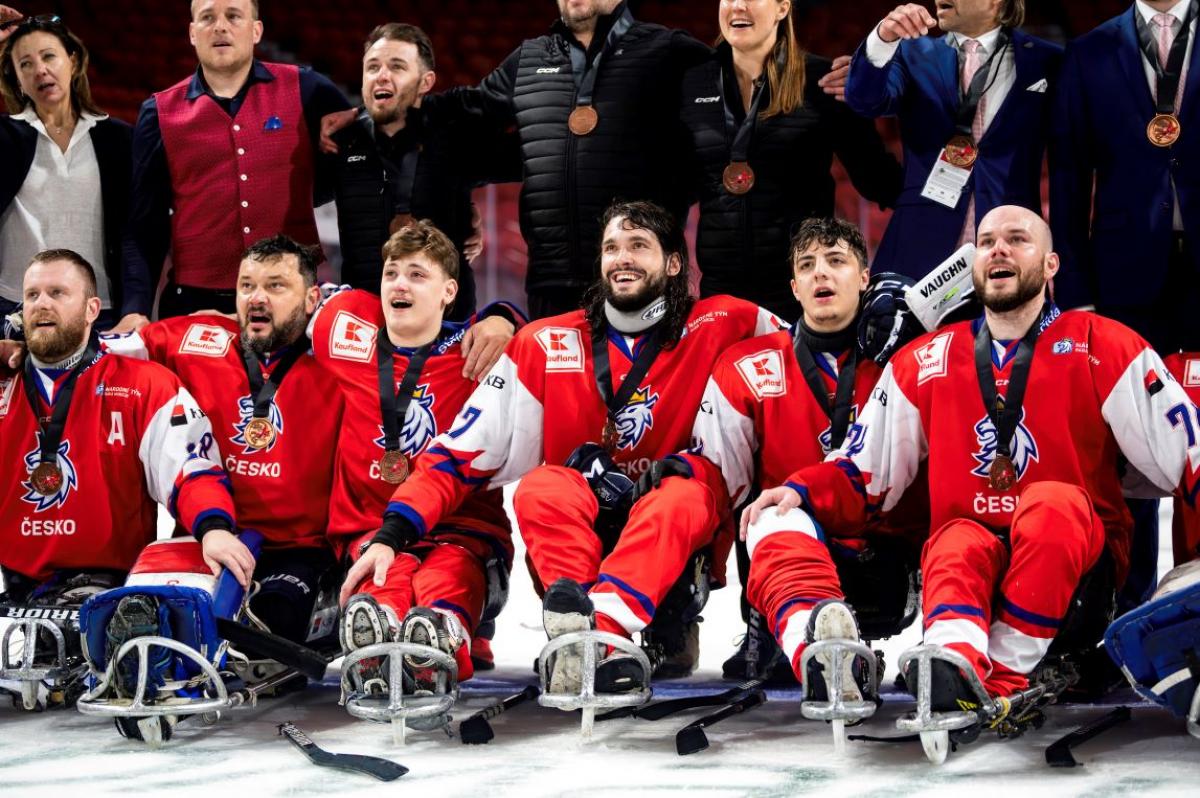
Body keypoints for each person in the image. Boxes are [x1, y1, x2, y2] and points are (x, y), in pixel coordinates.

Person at [741, 205, 1200, 738]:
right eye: (986, 242)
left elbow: (1189, 459)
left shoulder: (1105, 344)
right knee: (955, 537)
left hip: (1077, 578)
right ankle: (952, 661)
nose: (998, 249)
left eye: (1017, 239)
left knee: (1054, 503)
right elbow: (863, 475)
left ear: (1051, 265)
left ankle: (999, 680)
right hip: (970, 564)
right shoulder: (924, 358)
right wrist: (798, 490)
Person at [363, 200, 782, 693]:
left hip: (674, 541)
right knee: (540, 486)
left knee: (688, 488)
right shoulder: (545, 342)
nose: (621, 258)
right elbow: (459, 452)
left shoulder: (726, 322)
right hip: (576, 552)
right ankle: (581, 626)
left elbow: (811, 347)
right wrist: (393, 532)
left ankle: (596, 637)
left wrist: (883, 321)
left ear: (673, 263)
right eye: (611, 248)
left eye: (638, 246)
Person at [691, 217, 926, 692]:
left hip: (888, 566)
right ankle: (813, 649)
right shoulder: (747, 365)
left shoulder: (912, 353)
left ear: (865, 279)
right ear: (793, 287)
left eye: (837, 261)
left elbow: (999, 308)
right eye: (808, 265)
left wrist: (915, 301)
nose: (821, 273)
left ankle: (944, 640)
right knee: (763, 516)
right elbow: (719, 483)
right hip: (791, 549)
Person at [0, 249, 235, 705]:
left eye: (57, 293)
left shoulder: (145, 384)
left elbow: (193, 469)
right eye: (31, 295)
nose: (41, 304)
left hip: (108, 585)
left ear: (92, 309)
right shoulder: (3, 384)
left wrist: (213, 528)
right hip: (16, 587)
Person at [99, 235, 344, 644]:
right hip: (205, 537)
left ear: (311, 298)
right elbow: (99, 353)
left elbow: (410, 325)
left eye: (276, 286)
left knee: (274, 622)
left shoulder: (338, 356)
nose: (257, 298)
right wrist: (19, 344)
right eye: (247, 286)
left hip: (297, 550)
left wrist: (495, 315)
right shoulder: (197, 337)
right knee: (150, 627)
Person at [319, 221, 521, 697]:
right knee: (387, 572)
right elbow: (291, 304)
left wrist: (507, 316)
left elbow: (548, 342)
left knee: (444, 571)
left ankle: (441, 637)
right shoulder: (342, 324)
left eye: (417, 275)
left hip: (461, 530)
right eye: (391, 274)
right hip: (371, 528)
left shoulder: (480, 349)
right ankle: (377, 640)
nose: (400, 285)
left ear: (450, 290)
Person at [430, 0, 710, 319]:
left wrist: (672, 199)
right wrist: (460, 202)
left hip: (642, 283)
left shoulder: (670, 52)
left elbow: (723, 140)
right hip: (551, 289)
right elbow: (459, 124)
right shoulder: (529, 58)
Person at [122, 0, 349, 322]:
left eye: (233, 16)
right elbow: (144, 225)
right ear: (191, 33)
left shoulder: (309, 89)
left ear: (256, 30)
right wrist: (135, 308)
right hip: (194, 302)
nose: (220, 26)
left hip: (293, 299)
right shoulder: (157, 112)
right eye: (207, 18)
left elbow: (352, 165)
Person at [680, 0, 902, 321]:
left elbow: (879, 180)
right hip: (721, 296)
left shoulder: (823, 80)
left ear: (783, 8)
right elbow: (675, 184)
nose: (737, 7)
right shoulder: (692, 83)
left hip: (803, 297)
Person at [844, 1, 1061, 279]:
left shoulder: (1048, 61)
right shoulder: (911, 53)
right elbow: (864, 101)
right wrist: (883, 38)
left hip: (1011, 253)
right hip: (920, 248)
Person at [328, 23, 518, 319]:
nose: (382, 76)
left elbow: (534, 151)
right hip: (364, 328)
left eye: (397, 67)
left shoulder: (454, 136)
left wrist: (465, 206)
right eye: (372, 67)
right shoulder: (339, 142)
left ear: (426, 82)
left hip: (446, 328)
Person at [1051, 0, 1200, 353]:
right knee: (1132, 403)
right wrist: (1074, 292)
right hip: (1124, 272)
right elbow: (1068, 178)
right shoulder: (1087, 52)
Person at [0, 11, 136, 332]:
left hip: (98, 310)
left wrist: (135, 307)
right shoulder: (3, 136)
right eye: (26, 64)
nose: (40, 70)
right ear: (17, 79)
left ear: (73, 62)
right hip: (18, 310)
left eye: (49, 56)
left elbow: (136, 235)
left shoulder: (120, 138)